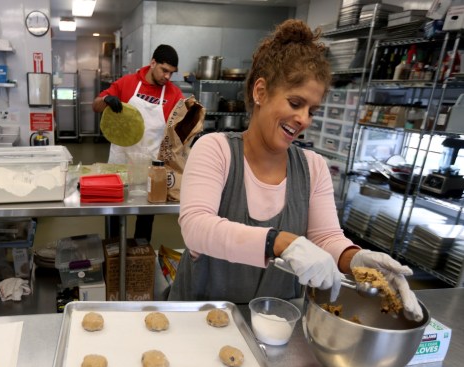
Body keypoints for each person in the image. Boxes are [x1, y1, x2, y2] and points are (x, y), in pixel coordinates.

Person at [168, 19, 423, 322]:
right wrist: (280, 242)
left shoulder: (313, 167)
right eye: (295, 102)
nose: (304, 119)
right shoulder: (216, 149)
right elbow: (197, 228)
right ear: (260, 91)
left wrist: (358, 261)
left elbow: (326, 237)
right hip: (201, 319)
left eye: (312, 110)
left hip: (277, 324)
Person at [93, 44, 184, 242]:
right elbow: (96, 104)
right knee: (114, 213)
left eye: (172, 73)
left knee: (145, 218)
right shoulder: (127, 83)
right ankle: (113, 252)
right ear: (153, 63)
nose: (167, 77)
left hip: (150, 166)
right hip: (120, 161)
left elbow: (180, 128)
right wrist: (107, 99)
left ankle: (139, 258)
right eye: (164, 70)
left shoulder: (174, 94)